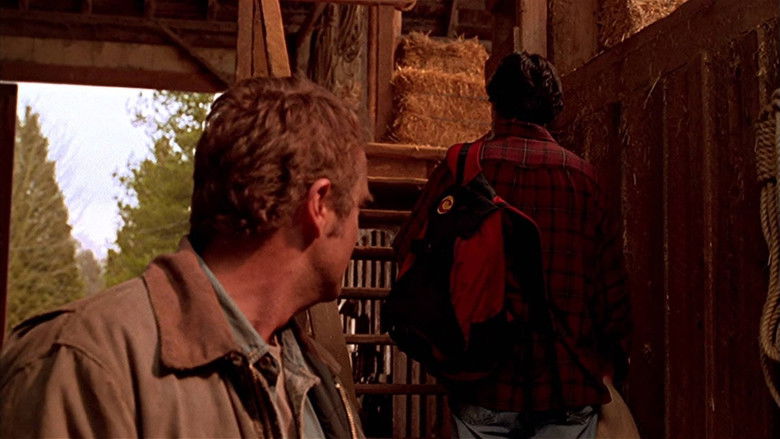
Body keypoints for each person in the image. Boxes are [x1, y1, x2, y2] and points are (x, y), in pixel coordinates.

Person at [0, 76, 371, 438]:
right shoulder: (82, 364)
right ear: (320, 204)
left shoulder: (315, 375)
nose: (358, 232)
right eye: (359, 206)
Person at [394, 52, 631, 438]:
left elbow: (408, 251)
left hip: (482, 382)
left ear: (495, 105)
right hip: (565, 384)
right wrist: (609, 362)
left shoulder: (461, 169)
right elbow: (611, 294)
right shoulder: (584, 180)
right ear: (553, 111)